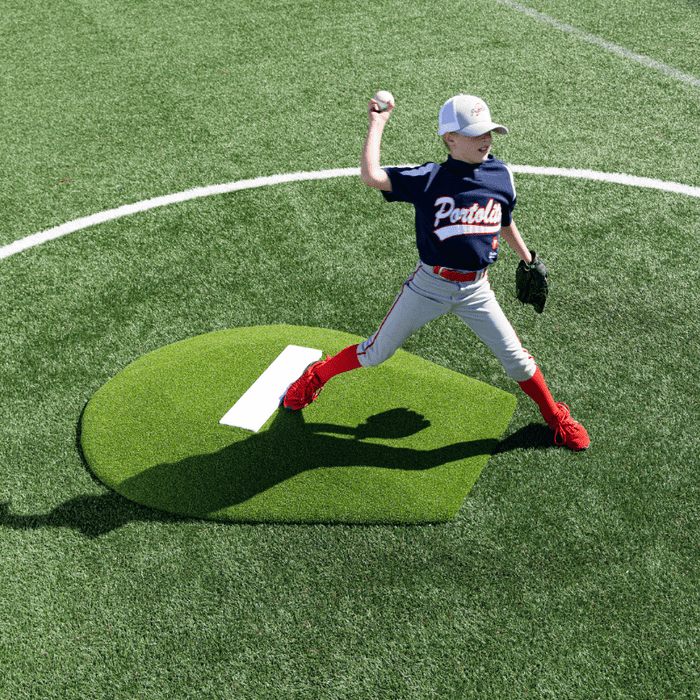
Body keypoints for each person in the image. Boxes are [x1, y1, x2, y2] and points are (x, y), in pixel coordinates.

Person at [283, 93, 589, 451]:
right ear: (450, 138)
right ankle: (317, 375)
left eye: (489, 131)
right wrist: (378, 123)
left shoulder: (501, 173)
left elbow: (503, 220)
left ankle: (556, 417)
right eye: (476, 134)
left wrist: (527, 258)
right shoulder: (429, 178)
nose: (486, 139)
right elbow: (371, 176)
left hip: (477, 290)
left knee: (518, 361)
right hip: (429, 285)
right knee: (375, 353)